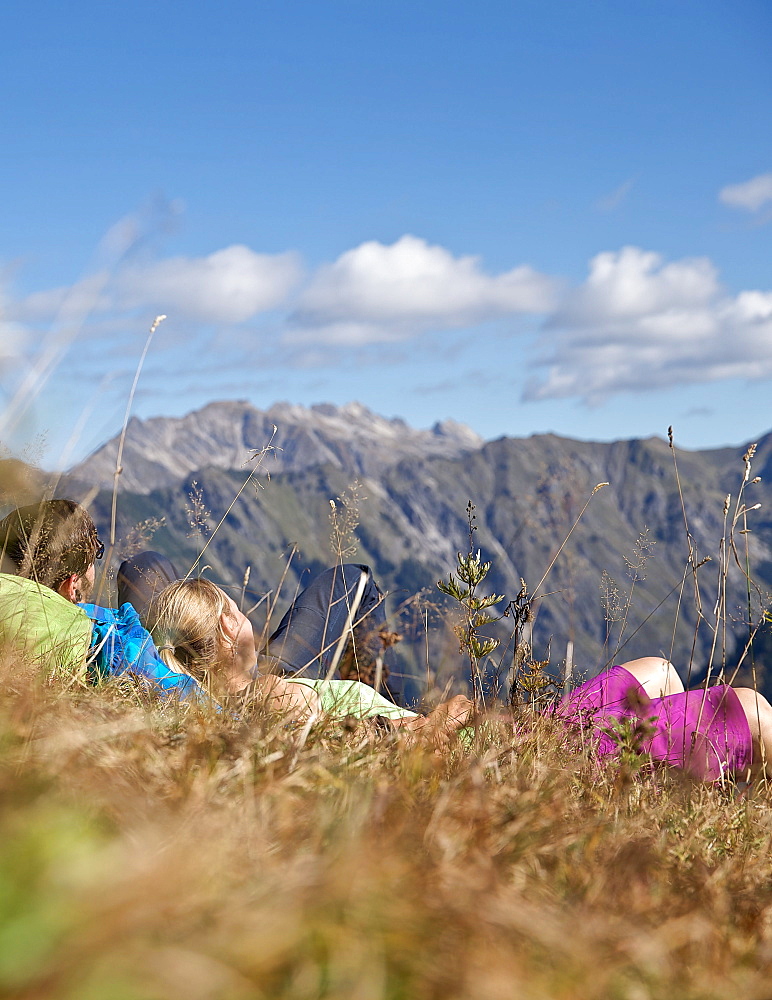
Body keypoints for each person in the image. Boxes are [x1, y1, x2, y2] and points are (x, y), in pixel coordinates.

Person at [150, 576, 473, 740]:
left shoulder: (191, 698)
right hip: (451, 740)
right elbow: (339, 739)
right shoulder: (276, 694)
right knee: (355, 577)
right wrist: (430, 723)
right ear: (228, 625)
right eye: (236, 609)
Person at [558, 655, 772, 780]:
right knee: (753, 711)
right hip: (579, 755)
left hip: (556, 726)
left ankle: (681, 772)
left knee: (661, 670)